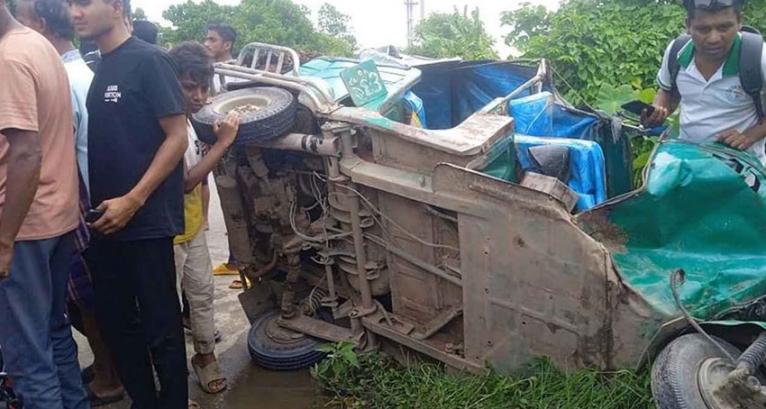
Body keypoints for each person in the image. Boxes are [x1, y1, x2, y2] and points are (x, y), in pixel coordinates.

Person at [68, 0, 190, 407]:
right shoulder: (101, 66)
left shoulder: (150, 60)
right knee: (118, 325)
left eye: (83, 3)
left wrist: (134, 200)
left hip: (146, 219)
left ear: (117, 6)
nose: (75, 12)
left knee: (163, 329)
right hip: (106, 221)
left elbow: (177, 136)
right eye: (70, 4)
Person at [14, 0, 124, 405]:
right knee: (61, 319)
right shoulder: (72, 71)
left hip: (59, 211)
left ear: (41, 24)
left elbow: (34, 153)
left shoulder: (42, 69)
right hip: (73, 209)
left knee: (52, 328)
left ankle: (108, 375)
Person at [0, 0, 86, 407]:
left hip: (22, 228)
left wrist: (3, 240)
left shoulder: (9, 58)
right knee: (53, 331)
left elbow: (25, 153)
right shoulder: (38, 45)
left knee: (27, 357)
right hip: (56, 217)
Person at [169, 41, 240, 395]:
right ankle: (168, 379)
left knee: (202, 293)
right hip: (168, 233)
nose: (198, 96)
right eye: (189, 87)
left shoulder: (190, 120)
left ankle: (205, 356)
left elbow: (201, 183)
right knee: (165, 306)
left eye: (203, 87)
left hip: (193, 227)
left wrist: (205, 220)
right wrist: (223, 144)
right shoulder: (168, 125)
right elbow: (186, 181)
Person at [645, 0, 766, 162]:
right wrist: (658, 111)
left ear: (739, 21)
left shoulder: (759, 58)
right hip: (688, 165)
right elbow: (666, 91)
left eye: (724, 27)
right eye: (703, 29)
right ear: (688, 25)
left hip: (744, 174)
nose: (714, 38)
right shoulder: (676, 52)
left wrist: (749, 136)